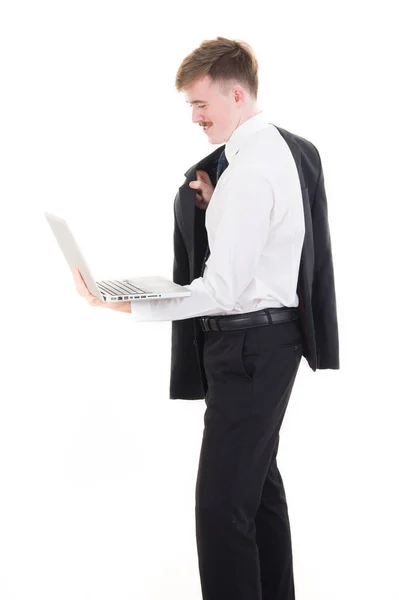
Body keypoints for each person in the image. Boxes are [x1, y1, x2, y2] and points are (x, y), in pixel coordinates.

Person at [73, 36, 339, 600]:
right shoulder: (273, 152)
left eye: (200, 105)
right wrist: (217, 204)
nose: (194, 118)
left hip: (248, 349)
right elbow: (261, 241)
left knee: (221, 510)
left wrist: (121, 300)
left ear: (236, 94)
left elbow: (221, 289)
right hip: (268, 343)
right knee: (257, 492)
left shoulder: (249, 174)